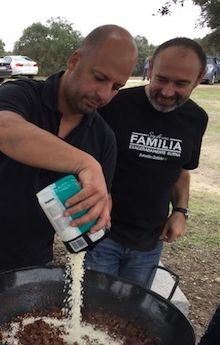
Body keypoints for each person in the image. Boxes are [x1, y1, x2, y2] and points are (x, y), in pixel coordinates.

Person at [0, 25, 138, 345]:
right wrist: (84, 163)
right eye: (100, 77)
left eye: (116, 87)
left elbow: (92, 202)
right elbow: (6, 133)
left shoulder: (102, 138)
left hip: (29, 268)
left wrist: (95, 215)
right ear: (75, 60)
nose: (104, 94)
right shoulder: (20, 93)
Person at [84, 37, 208, 289]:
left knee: (131, 314)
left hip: (150, 241)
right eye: (161, 78)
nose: (167, 91)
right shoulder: (114, 105)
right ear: (149, 68)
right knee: (92, 309)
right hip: (102, 234)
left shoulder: (196, 119)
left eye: (181, 83)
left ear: (199, 78)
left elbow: (182, 170)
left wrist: (180, 211)